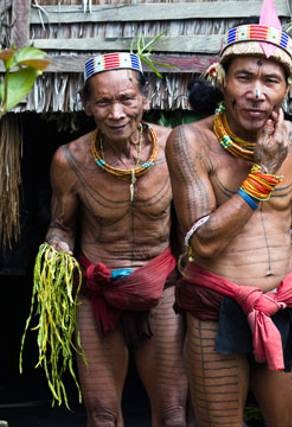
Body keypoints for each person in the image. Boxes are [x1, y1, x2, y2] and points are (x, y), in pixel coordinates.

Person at [166, 12, 292, 426]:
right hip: (216, 311)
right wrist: (262, 175)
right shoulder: (190, 142)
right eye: (244, 78)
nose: (257, 93)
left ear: (287, 89)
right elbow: (201, 243)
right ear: (221, 79)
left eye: (270, 81)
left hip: (282, 306)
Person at [46, 52, 188, 426]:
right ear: (87, 106)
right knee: (103, 414)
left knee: (173, 413)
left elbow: (191, 227)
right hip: (98, 293)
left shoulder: (175, 148)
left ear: (146, 98)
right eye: (104, 102)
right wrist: (57, 248)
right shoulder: (70, 160)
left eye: (126, 99)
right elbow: (62, 225)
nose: (116, 113)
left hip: (162, 291)